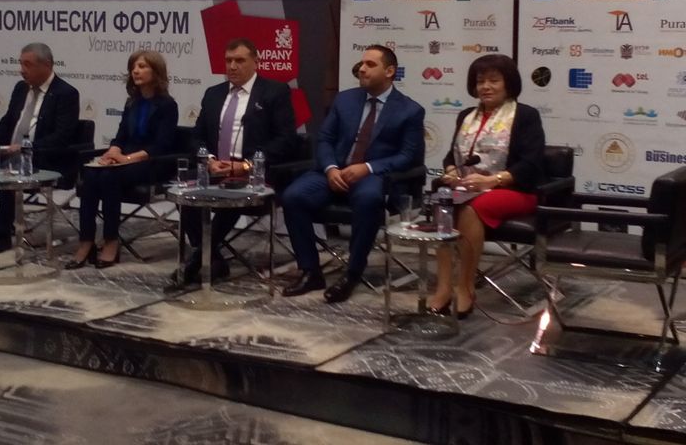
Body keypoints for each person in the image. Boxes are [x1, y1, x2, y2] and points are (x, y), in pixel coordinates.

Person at [281, 45, 425, 303]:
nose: (362, 69)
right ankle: (310, 270)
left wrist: (367, 168)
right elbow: (325, 139)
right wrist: (330, 168)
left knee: (369, 199)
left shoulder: (409, 110)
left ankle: (352, 273)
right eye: (361, 63)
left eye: (370, 64)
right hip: (334, 172)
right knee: (293, 196)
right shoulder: (345, 100)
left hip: (372, 177)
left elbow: (407, 157)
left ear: (389, 71)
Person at [431, 54, 545, 318]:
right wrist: (451, 171)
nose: (486, 87)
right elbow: (451, 157)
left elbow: (531, 163)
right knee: (443, 203)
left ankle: (466, 287)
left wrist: (493, 180)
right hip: (469, 188)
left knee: (471, 208)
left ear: (509, 84)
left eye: (494, 80)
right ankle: (443, 287)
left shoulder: (525, 115)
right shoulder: (466, 116)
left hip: (515, 189)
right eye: (480, 81)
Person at [177, 38, 297, 283]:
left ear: (256, 61)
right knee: (186, 196)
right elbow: (197, 136)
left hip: (253, 172)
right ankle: (213, 259)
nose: (232, 66)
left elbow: (286, 140)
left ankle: (198, 260)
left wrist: (246, 165)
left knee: (232, 193)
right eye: (228, 60)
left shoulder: (274, 92)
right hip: (216, 167)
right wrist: (209, 160)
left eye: (239, 60)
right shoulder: (213, 94)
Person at [66, 51, 178, 270]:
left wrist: (125, 158)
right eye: (133, 67)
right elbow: (121, 136)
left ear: (156, 72)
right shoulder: (132, 103)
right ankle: (86, 241)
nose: (136, 71)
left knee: (109, 176)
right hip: (125, 160)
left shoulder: (167, 105)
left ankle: (111, 241)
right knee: (92, 173)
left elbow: (160, 146)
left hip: (151, 162)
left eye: (142, 67)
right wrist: (112, 153)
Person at [0, 42, 80, 254]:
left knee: (12, 167)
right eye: (20, 64)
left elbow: (61, 137)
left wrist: (26, 147)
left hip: (42, 158)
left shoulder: (66, 93)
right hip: (10, 151)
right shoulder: (20, 88)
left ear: (46, 65)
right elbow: (7, 124)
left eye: (27, 64)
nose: (21, 70)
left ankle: (2, 234)